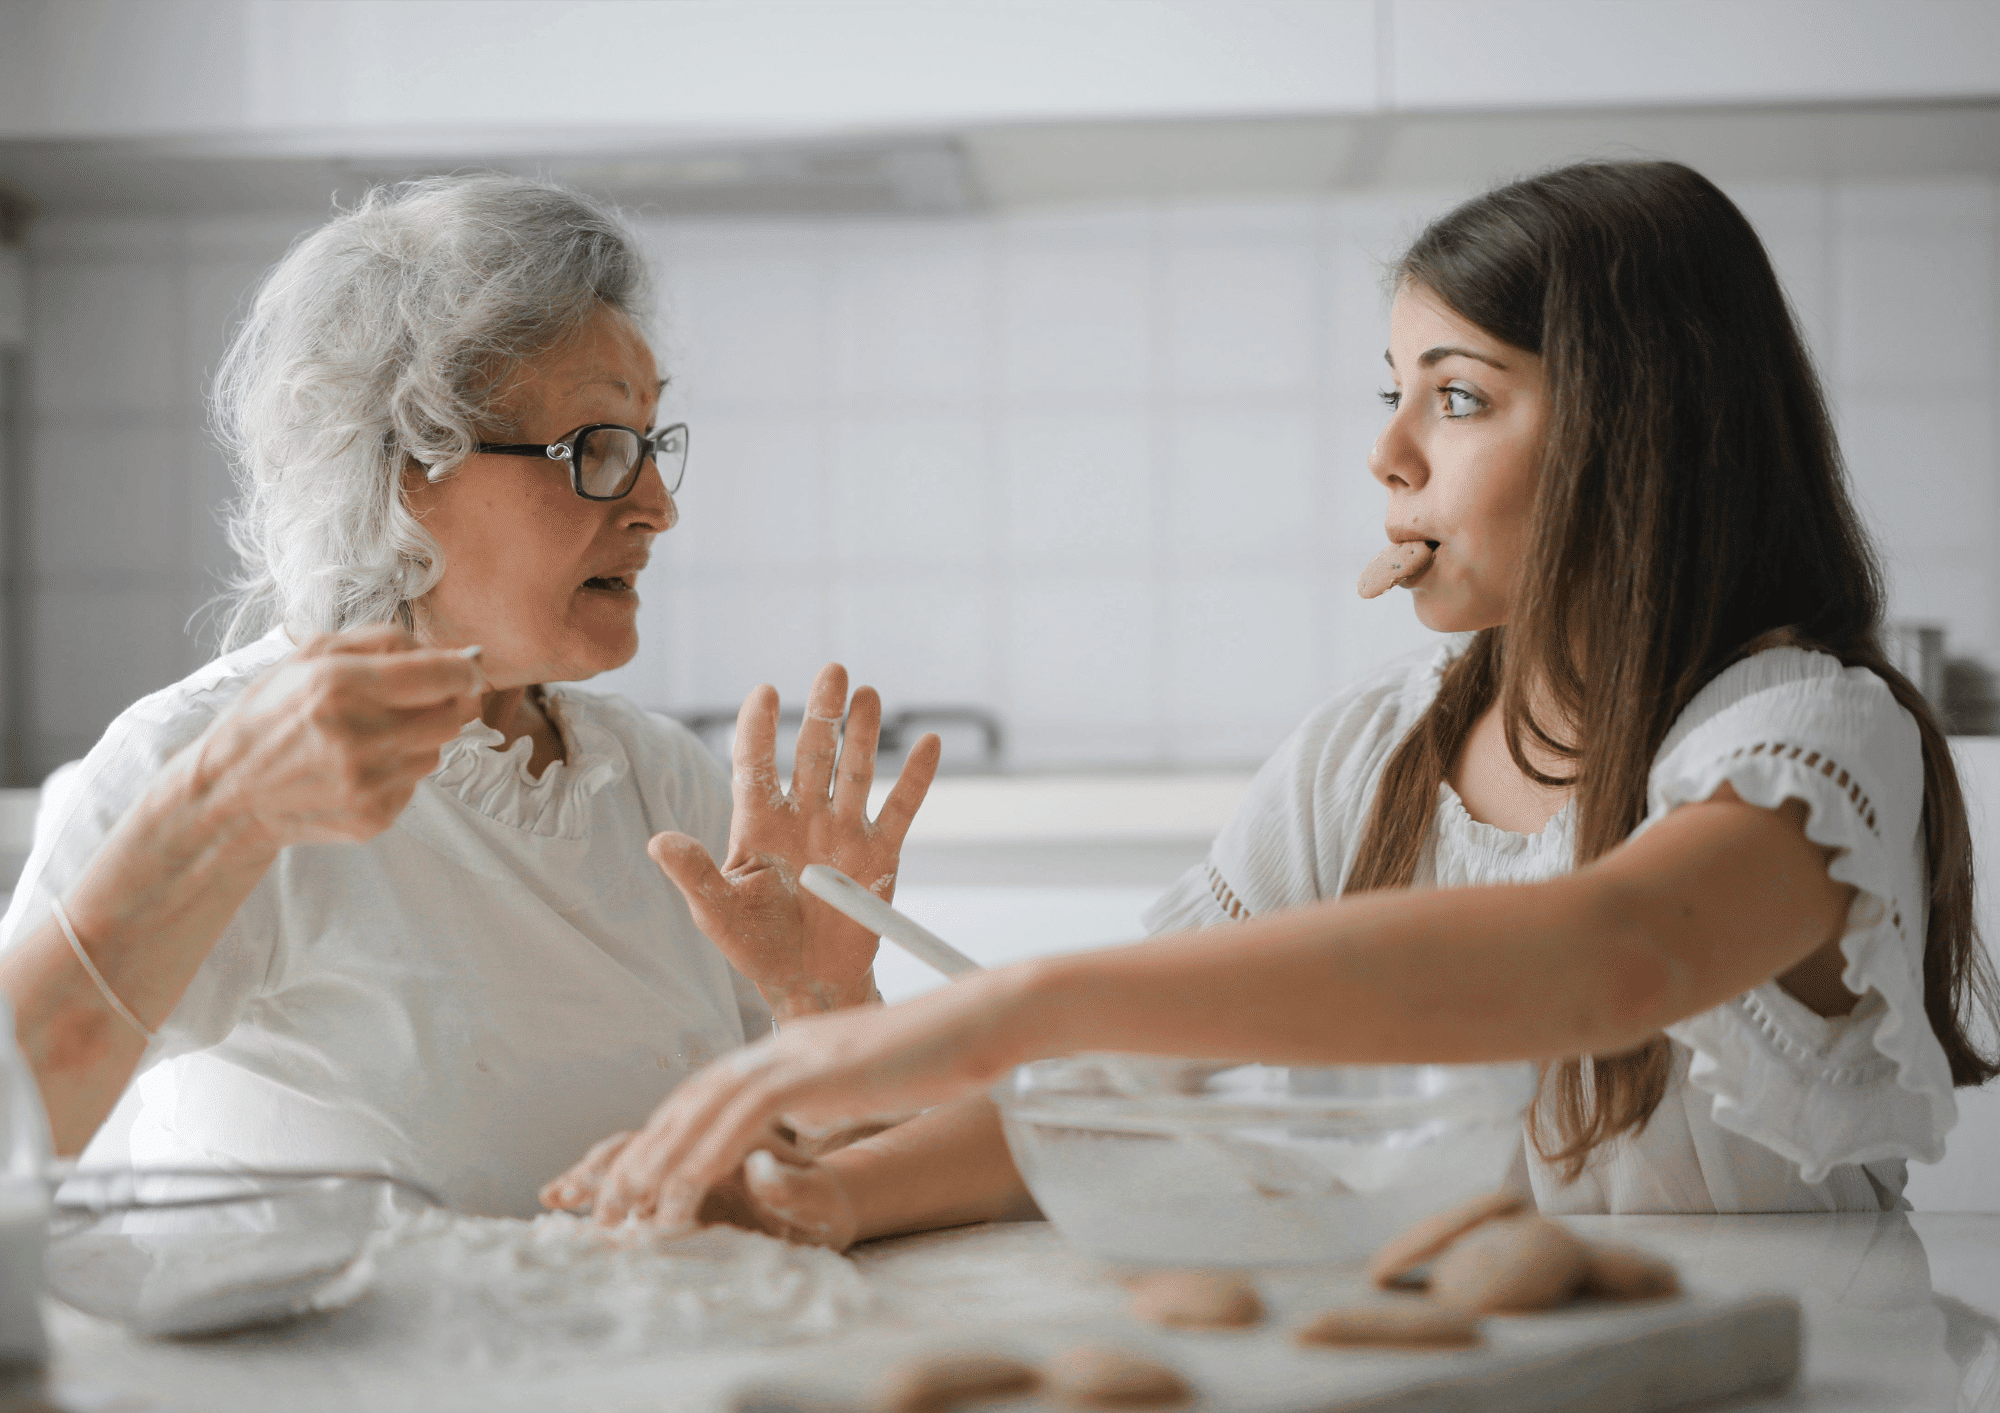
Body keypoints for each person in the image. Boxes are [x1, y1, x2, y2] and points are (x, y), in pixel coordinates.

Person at [549, 160, 2000, 1235]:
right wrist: (833, 1195)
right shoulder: (1369, 753)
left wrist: (1024, 1000)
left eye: (1462, 395)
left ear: (1645, 436)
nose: (1391, 460)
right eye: (1393, 394)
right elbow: (1138, 1077)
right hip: (1494, 1411)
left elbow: (1608, 954)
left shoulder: (1809, 735)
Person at [0, 174, 937, 1217]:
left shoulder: (663, 783)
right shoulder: (207, 757)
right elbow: (11, 1132)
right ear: (402, 468)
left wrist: (827, 1007)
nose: (658, 507)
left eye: (651, 440)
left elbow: (824, 1189)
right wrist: (212, 813)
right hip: (322, 1379)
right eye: (596, 448)